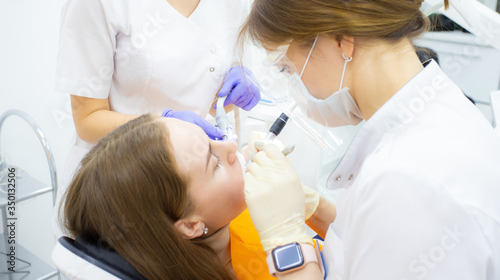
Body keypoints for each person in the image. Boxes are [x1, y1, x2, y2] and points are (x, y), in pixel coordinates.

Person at [240, 0, 500, 279]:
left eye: (289, 69)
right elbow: (373, 247)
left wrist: (284, 239)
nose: (295, 86)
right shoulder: (432, 118)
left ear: (341, 39)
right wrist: (316, 209)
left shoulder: (408, 184)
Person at [54, 0, 260, 235]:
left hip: (188, 197)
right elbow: (88, 121)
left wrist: (233, 94)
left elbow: (211, 104)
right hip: (120, 186)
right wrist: (162, 123)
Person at [58, 114, 325, 279]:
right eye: (214, 161)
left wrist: (315, 207)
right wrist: (287, 243)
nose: (232, 146)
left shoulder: (242, 217)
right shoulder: (268, 229)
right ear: (190, 225)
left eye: (212, 140)